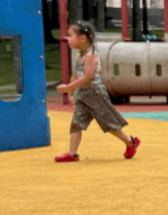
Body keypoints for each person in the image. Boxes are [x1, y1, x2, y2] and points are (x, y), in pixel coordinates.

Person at [54, 21, 140, 162]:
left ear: (82, 39)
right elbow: (75, 75)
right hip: (83, 95)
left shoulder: (91, 56)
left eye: (70, 36)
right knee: (77, 122)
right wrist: (71, 93)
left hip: (95, 94)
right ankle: (72, 153)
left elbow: (87, 77)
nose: (67, 39)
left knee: (108, 123)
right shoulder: (78, 56)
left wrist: (68, 88)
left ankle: (130, 141)